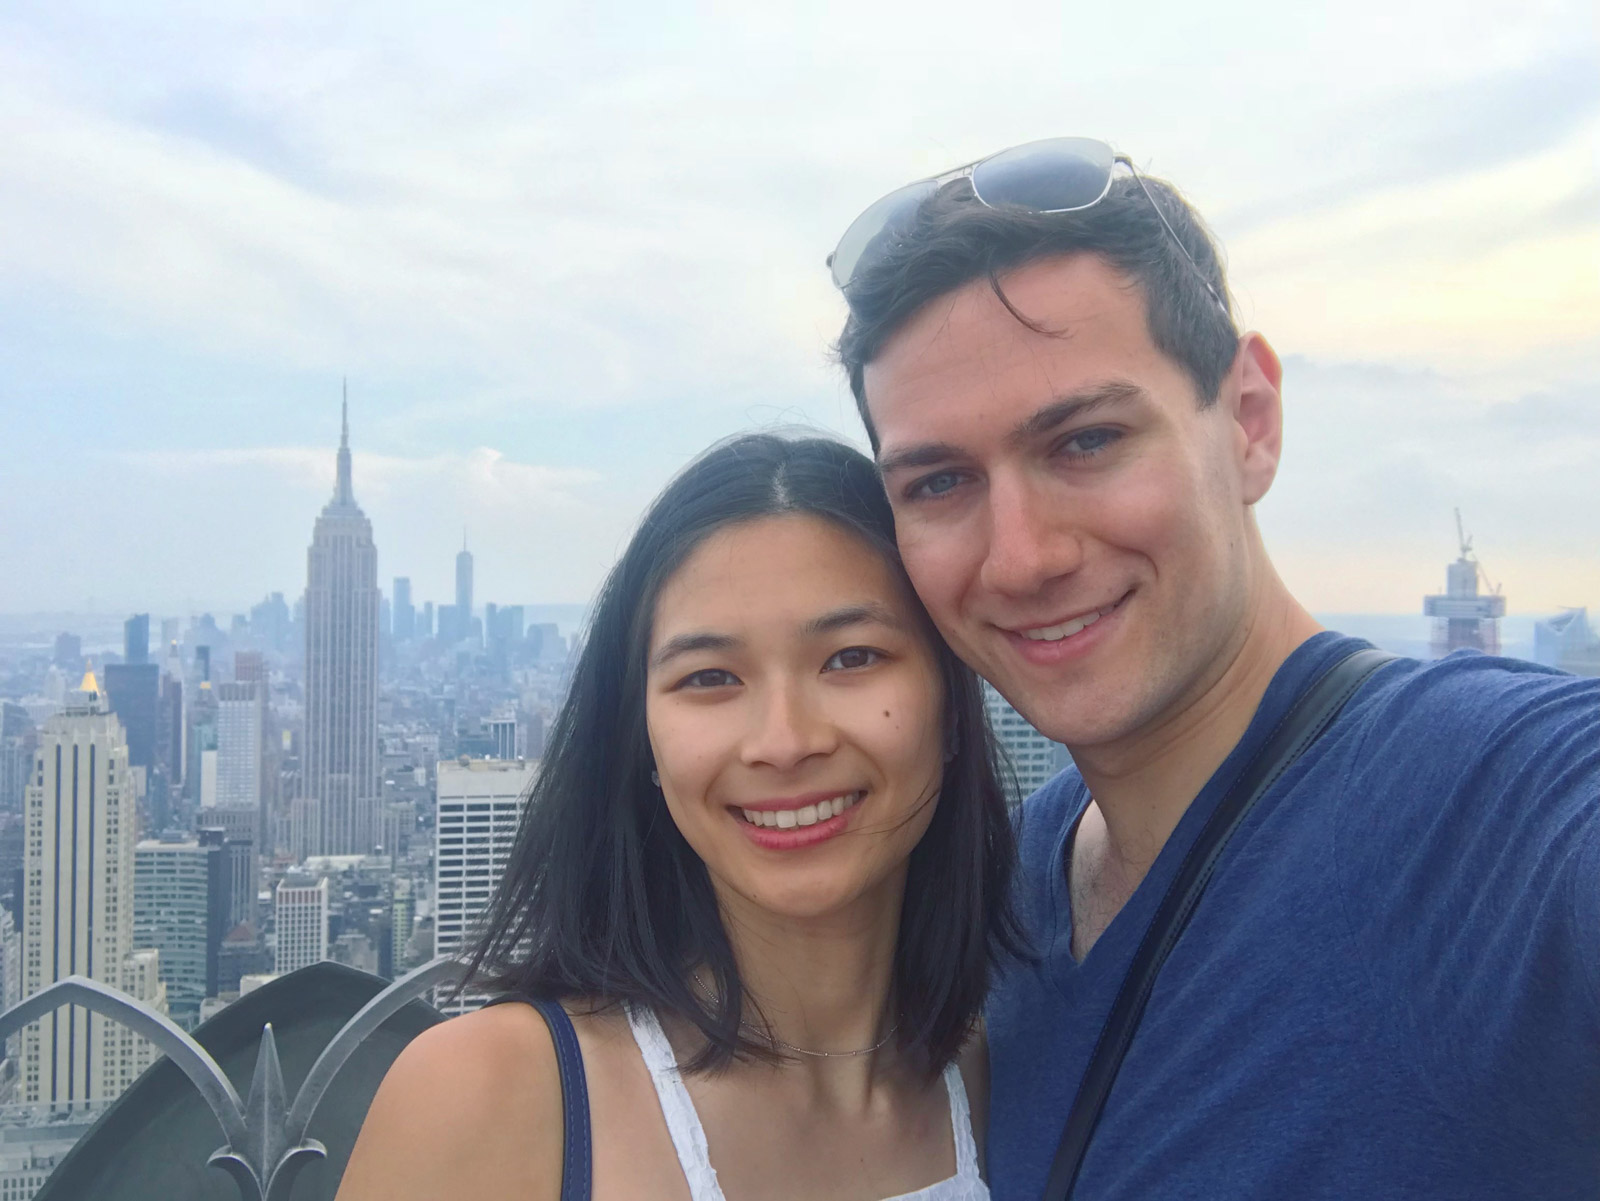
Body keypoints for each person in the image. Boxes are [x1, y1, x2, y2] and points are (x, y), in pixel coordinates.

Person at [829, 137, 1600, 1199]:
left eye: (1086, 442)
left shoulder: (1497, 807)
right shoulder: (1017, 881)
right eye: (939, 482)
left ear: (1249, 420)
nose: (1021, 556)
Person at [337, 434, 1020, 1201]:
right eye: (710, 677)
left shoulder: (1021, 1072)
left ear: (953, 707)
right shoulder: (492, 1098)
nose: (785, 741)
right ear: (644, 746)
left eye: (851, 657)